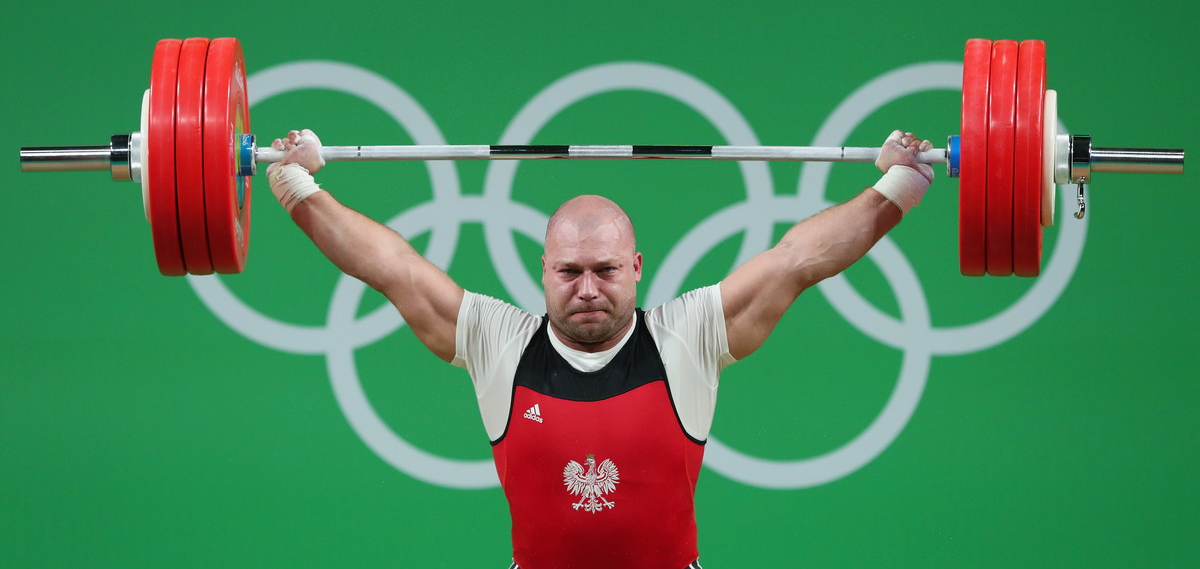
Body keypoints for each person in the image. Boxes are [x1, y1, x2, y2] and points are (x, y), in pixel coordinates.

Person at [266, 128, 935, 569]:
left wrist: (897, 187)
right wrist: (298, 188)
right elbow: (393, 267)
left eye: (606, 270)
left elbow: (797, 260)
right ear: (543, 271)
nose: (588, 288)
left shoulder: (688, 336)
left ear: (637, 267)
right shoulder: (499, 341)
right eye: (569, 271)